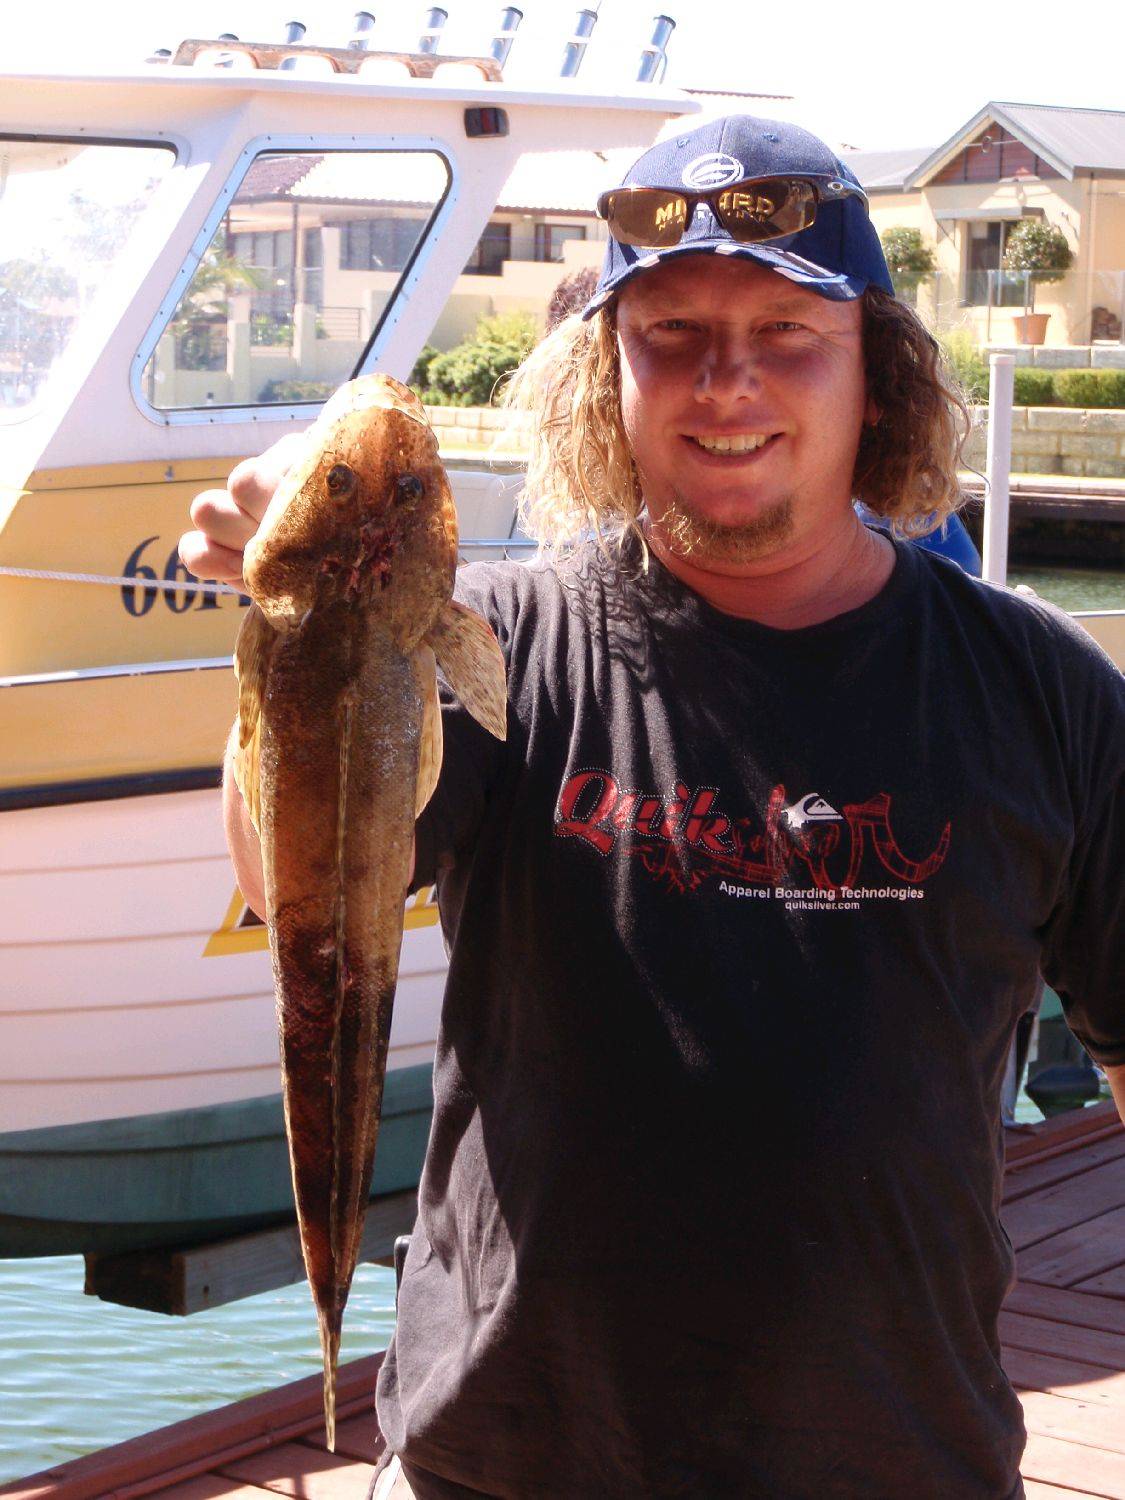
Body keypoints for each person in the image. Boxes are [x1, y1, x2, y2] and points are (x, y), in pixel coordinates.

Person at [180, 115, 1125, 1499]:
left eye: (787, 332)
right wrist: (293, 632)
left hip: (895, 1465)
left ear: (879, 376)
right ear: (603, 379)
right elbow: (289, 886)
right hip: (503, 1462)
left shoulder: (1037, 687)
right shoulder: (493, 645)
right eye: (669, 333)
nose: (725, 379)